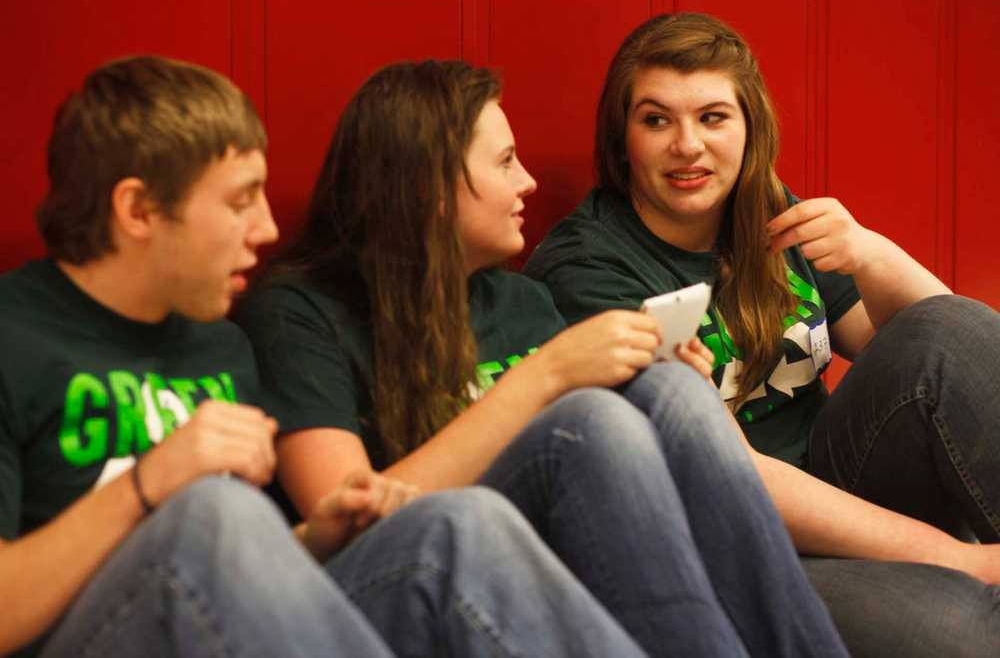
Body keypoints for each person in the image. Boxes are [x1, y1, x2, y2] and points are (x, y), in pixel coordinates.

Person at [0, 55, 653, 658]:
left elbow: (234, 585)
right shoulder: (16, 334)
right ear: (139, 209)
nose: (266, 228)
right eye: (237, 201)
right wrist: (151, 484)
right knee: (212, 510)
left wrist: (315, 538)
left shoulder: (218, 346)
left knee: (457, 520)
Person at [236, 59, 849, 658]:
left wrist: (652, 382)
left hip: (553, 568)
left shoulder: (521, 301)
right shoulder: (301, 313)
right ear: (430, 188)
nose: (528, 182)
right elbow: (349, 517)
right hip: (399, 584)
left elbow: (594, 484)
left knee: (669, 392)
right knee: (576, 432)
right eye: (504, 162)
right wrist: (548, 375)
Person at [523, 12, 1000, 657]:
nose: (687, 145)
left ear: (750, 128)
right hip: (734, 542)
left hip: (841, 493)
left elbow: (940, 352)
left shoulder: (765, 213)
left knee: (950, 325)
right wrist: (956, 559)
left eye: (713, 117)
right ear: (622, 138)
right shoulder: (589, 268)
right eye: (657, 119)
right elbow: (725, 472)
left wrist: (871, 254)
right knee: (965, 627)